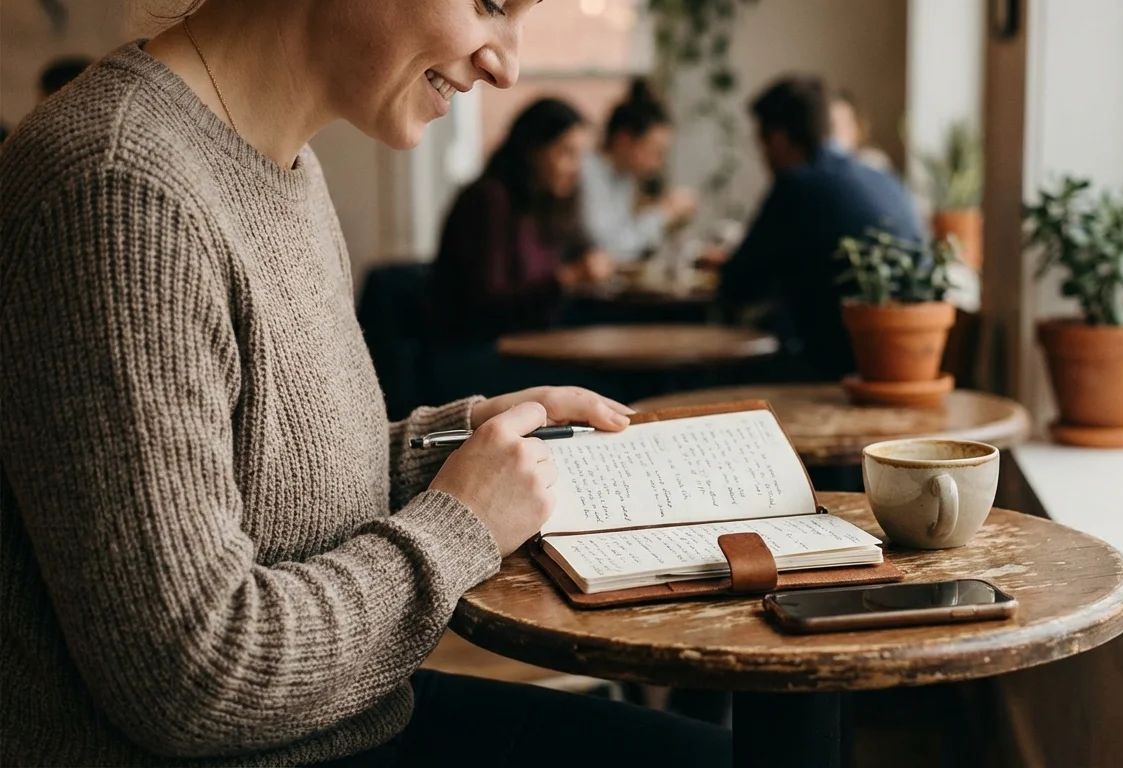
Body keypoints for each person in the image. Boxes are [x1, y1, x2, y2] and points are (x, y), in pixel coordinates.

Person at [0, 1, 727, 766]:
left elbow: (263, 478)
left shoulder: (282, 160)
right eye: (490, 3)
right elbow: (196, 675)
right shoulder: (118, 189)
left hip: (342, 725)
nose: (507, 64)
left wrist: (463, 438)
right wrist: (460, 526)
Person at [712, 76, 921, 381]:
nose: (763, 157)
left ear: (779, 140)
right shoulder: (882, 177)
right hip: (905, 365)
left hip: (838, 372)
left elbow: (737, 285)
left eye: (762, 144)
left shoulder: (796, 185)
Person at [423, 97, 615, 400]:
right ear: (531, 149)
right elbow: (488, 302)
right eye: (566, 153)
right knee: (607, 384)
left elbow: (586, 247)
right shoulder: (489, 200)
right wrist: (565, 279)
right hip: (474, 355)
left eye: (580, 156)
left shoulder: (548, 203)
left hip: (525, 343)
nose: (576, 169)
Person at [580, 78, 697, 263]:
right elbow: (607, 248)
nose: (658, 162)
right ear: (624, 140)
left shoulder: (624, 178)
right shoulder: (586, 172)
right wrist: (663, 214)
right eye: (655, 151)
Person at [829, 88, 893, 173]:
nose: (839, 130)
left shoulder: (873, 162)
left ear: (859, 127)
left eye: (846, 122)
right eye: (833, 125)